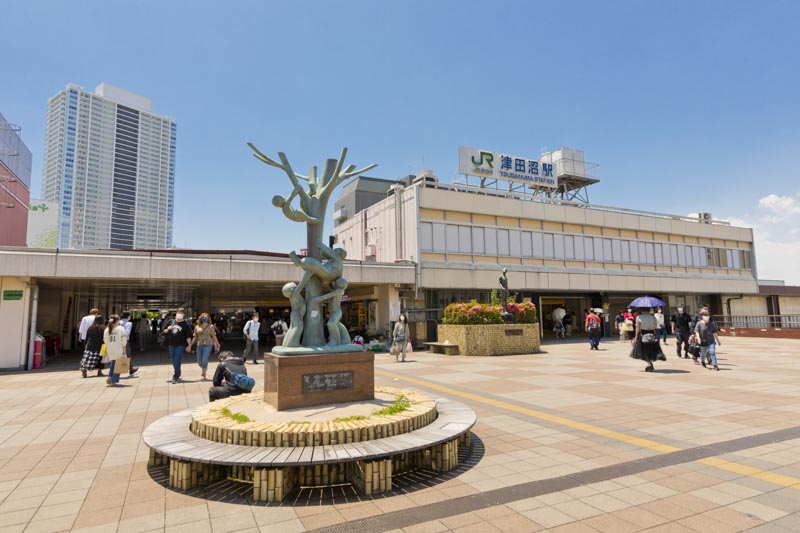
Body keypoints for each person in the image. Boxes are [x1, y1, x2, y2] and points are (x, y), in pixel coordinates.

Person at [629, 308, 666, 372]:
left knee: (643, 350)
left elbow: (637, 328)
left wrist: (636, 336)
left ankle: (649, 364)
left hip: (643, 334)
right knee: (651, 350)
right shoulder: (653, 317)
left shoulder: (639, 317)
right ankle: (650, 363)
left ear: (642, 310)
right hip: (651, 334)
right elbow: (655, 327)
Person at [163, 308, 192, 384]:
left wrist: (189, 345)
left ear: (183, 315)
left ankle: (176, 376)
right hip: (171, 344)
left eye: (181, 313)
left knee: (177, 359)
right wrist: (168, 329)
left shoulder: (185, 324)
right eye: (178, 312)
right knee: (173, 359)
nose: (179, 314)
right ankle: (177, 372)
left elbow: (188, 336)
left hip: (181, 344)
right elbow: (164, 331)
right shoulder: (171, 322)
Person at [191, 313, 220, 380]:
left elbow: (214, 336)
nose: (205, 318)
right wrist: (190, 345)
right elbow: (195, 336)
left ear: (208, 318)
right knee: (199, 360)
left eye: (206, 317)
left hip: (208, 344)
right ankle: (204, 367)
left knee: (205, 358)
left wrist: (217, 344)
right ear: (201, 318)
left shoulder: (211, 326)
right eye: (203, 317)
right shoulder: (197, 326)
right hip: (199, 344)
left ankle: (204, 372)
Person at [103, 315, 127, 387]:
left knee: (114, 362)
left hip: (110, 348)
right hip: (119, 348)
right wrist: (124, 349)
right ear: (117, 321)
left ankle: (110, 377)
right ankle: (114, 380)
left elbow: (105, 340)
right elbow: (124, 340)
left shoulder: (107, 329)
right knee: (118, 364)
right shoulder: (120, 329)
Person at [119, 311, 138, 377]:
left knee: (118, 355)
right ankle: (127, 369)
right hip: (124, 341)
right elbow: (127, 333)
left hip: (117, 341)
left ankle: (131, 369)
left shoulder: (118, 322)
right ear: (128, 316)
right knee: (127, 354)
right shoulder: (129, 323)